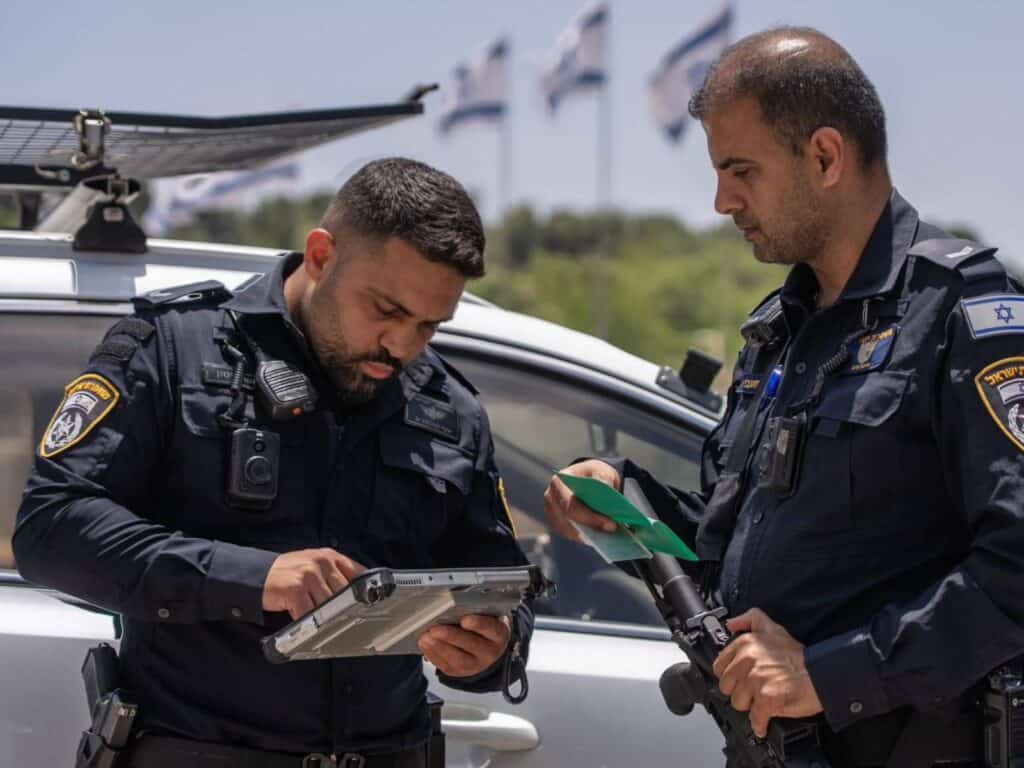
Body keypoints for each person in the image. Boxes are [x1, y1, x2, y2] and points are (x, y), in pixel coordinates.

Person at [544, 26, 1024, 767]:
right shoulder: (780, 332)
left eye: (741, 171)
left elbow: (1015, 569)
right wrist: (622, 497)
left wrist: (831, 675)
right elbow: (731, 543)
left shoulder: (962, 312)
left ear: (825, 156)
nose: (721, 201)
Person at [14, 157, 533, 767]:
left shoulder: (451, 407)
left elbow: (503, 586)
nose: (403, 345)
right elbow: (50, 530)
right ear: (321, 256)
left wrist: (492, 649)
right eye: (387, 312)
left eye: (429, 326)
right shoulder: (173, 349)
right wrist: (253, 578)